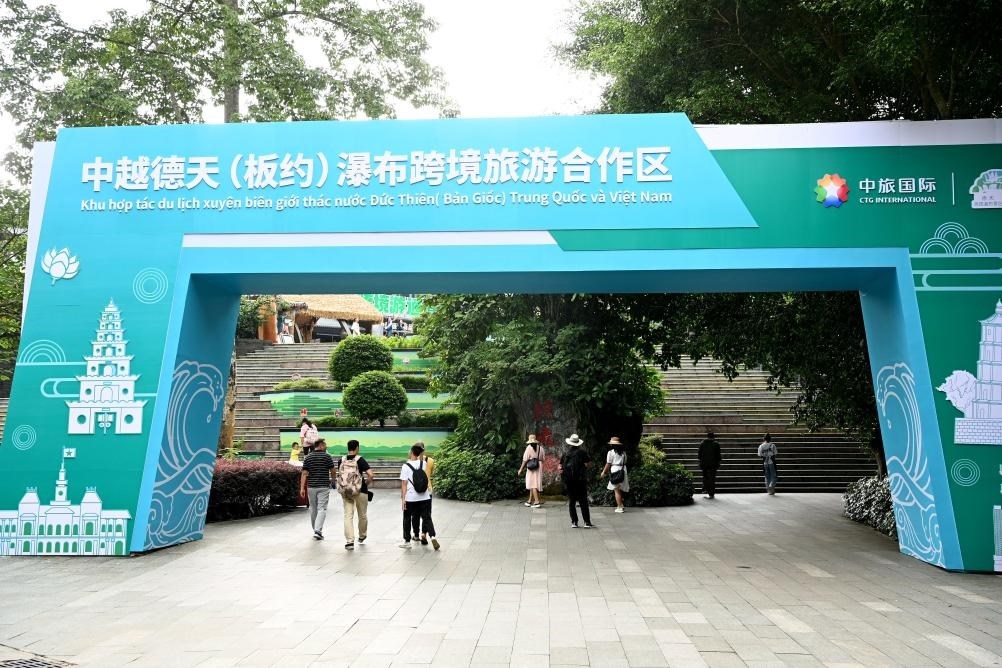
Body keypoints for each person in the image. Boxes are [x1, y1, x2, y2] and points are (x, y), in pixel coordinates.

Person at [399, 443, 439, 550]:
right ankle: (432, 536)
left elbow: (404, 484)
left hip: (411, 498)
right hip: (424, 496)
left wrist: (403, 499)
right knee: (427, 517)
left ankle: (407, 541)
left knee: (407, 518)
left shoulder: (405, 466)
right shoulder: (423, 463)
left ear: (411, 452)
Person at [336, 439, 373, 550]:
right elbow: (371, 474)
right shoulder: (359, 459)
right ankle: (362, 536)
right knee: (362, 515)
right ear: (357, 448)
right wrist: (365, 484)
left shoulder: (341, 460)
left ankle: (349, 541)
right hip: (360, 490)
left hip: (346, 491)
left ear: (348, 448)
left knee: (348, 515)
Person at [299, 438, 335, 540]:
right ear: (320, 445)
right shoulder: (327, 456)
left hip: (311, 487)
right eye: (325, 445)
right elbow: (333, 470)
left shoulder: (308, 457)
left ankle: (316, 529)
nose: (326, 446)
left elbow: (304, 473)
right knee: (322, 508)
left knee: (313, 509)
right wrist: (333, 481)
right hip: (323, 486)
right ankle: (317, 530)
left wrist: (302, 488)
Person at [559, 434, 593, 528]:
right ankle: (586, 522)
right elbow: (588, 464)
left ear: (570, 443)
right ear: (578, 443)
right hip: (580, 480)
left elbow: (560, 466)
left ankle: (574, 522)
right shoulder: (582, 452)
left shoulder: (566, 453)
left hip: (569, 480)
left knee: (572, 501)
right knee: (583, 501)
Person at [600, 436, 629, 513]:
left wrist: (604, 472)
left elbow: (608, 463)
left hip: (615, 471)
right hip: (623, 471)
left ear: (612, 445)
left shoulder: (611, 452)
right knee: (619, 489)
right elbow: (625, 462)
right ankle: (621, 505)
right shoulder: (623, 452)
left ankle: (619, 507)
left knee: (616, 490)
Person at [517, 434, 545, 508]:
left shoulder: (529, 448)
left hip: (532, 467)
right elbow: (543, 459)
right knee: (534, 483)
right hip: (539, 466)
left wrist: (520, 469)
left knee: (532, 484)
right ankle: (529, 500)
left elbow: (525, 459)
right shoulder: (541, 448)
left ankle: (536, 502)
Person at [418, 443, 437, 544]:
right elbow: (432, 473)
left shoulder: (413, 461)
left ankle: (418, 534)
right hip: (427, 490)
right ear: (424, 450)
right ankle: (424, 534)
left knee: (417, 514)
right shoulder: (431, 461)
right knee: (427, 514)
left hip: (416, 492)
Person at [698, 430, 722, 499]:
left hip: (704, 464)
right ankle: (711, 493)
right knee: (712, 478)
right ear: (713, 437)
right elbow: (718, 455)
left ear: (707, 436)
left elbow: (699, 454)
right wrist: (718, 462)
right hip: (713, 464)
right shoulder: (716, 444)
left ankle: (705, 488)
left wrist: (701, 461)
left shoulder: (702, 443)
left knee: (705, 477)